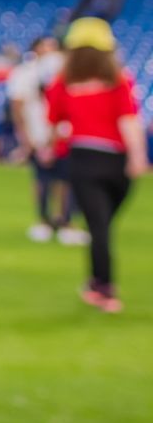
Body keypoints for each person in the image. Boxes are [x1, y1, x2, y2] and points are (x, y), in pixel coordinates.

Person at [42, 17, 147, 313]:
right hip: (115, 161)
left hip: (86, 160)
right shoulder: (119, 80)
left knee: (99, 227)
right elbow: (129, 122)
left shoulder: (64, 84)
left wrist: (49, 149)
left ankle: (101, 286)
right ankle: (102, 286)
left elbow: (54, 123)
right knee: (101, 226)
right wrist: (137, 157)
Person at [10, 35, 77, 242]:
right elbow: (17, 109)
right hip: (37, 135)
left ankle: (64, 220)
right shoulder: (24, 74)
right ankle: (43, 220)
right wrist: (26, 139)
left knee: (66, 179)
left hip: (64, 135)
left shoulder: (67, 74)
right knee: (42, 179)